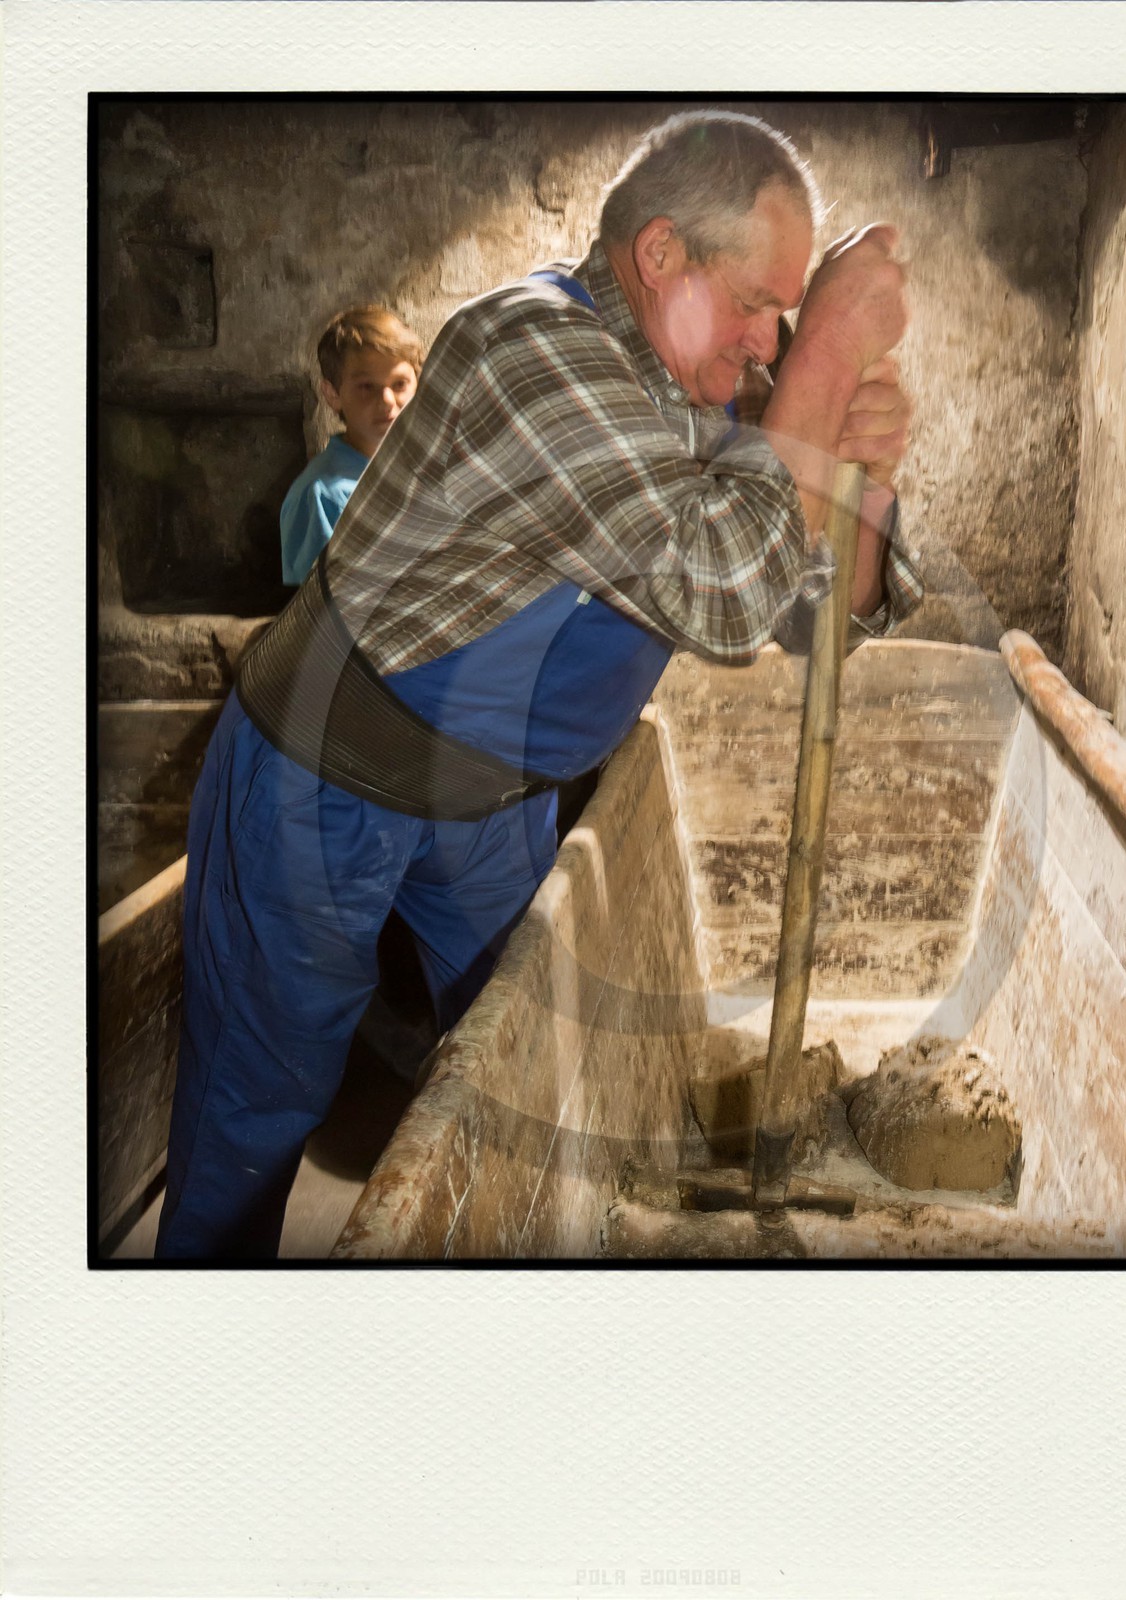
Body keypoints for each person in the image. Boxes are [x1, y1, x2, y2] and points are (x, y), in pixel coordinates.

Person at [155, 110, 923, 1260]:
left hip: (491, 799)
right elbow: (726, 594)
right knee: (256, 1112)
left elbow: (818, 617)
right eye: (759, 304)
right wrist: (821, 367)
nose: (770, 340)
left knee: (528, 1072)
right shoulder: (531, 354)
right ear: (660, 254)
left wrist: (857, 471)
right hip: (323, 771)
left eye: (786, 318)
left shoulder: (702, 396)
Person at [278, 304, 422, 586]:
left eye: (399, 384)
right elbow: (315, 605)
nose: (388, 402)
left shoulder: (428, 471)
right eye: (367, 387)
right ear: (332, 394)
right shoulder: (320, 495)